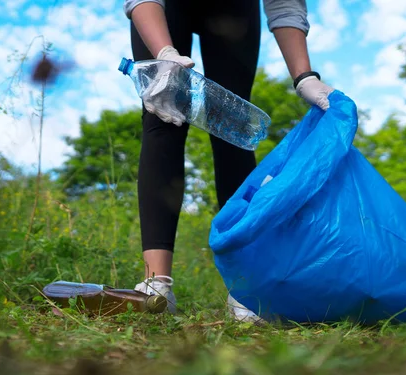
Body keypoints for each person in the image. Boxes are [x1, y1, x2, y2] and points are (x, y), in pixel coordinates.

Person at [123, 0, 335, 322]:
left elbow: (285, 6)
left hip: (233, 9)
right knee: (163, 115)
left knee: (233, 124)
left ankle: (244, 290)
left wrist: (304, 76)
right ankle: (157, 286)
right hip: (163, 7)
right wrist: (164, 55)